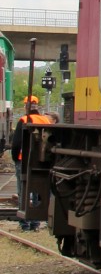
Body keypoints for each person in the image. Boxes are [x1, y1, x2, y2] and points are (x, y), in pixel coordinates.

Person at [11, 96, 55, 231]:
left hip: (24, 161)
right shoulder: (46, 120)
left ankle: (24, 224)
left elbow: (17, 143)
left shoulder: (24, 120)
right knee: (37, 190)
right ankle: (36, 222)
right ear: (38, 106)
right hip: (43, 161)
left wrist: (15, 158)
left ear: (26, 106)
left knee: (23, 191)